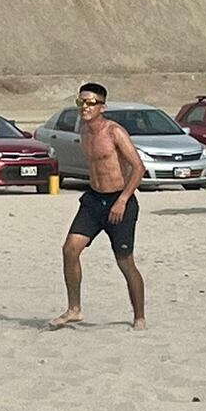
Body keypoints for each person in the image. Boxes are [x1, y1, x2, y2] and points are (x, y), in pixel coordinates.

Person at [50, 82, 147, 331]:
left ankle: (139, 316)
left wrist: (123, 200)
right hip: (94, 199)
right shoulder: (83, 130)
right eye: (81, 102)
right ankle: (75, 309)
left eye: (91, 102)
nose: (84, 107)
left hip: (119, 200)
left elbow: (138, 167)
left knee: (125, 261)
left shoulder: (114, 132)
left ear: (102, 107)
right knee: (70, 249)